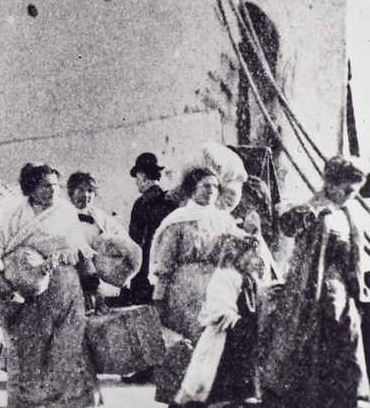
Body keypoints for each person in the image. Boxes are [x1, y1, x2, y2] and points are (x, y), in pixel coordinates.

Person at [0, 163, 98, 408]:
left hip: (64, 289)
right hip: (29, 290)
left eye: (55, 185)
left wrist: (90, 282)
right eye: (46, 185)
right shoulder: (15, 214)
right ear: (31, 188)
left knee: (67, 350)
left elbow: (79, 246)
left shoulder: (65, 211)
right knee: (26, 353)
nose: (52, 190)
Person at [263, 156, 370, 407]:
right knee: (314, 345)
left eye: (354, 192)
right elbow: (287, 225)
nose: (350, 196)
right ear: (330, 183)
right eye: (347, 190)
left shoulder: (346, 212)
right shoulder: (315, 209)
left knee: (344, 345)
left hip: (342, 293)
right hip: (316, 291)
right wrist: (308, 211)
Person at [149, 166, 243, 342]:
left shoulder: (224, 221)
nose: (211, 191)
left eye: (215, 187)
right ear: (193, 189)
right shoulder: (178, 221)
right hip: (184, 289)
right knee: (187, 340)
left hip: (216, 287)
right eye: (206, 186)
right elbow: (164, 264)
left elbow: (237, 251)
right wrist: (159, 297)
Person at [174, 234, 263, 406]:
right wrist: (234, 319)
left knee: (242, 380)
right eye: (251, 255)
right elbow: (219, 305)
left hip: (241, 339)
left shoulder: (248, 278)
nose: (254, 260)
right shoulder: (224, 275)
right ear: (238, 255)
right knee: (209, 380)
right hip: (225, 336)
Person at [66, 171, 141, 310]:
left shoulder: (99, 216)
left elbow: (123, 238)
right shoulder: (65, 216)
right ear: (71, 193)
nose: (86, 195)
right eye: (80, 190)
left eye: (90, 191)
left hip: (102, 272)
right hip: (78, 273)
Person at [120, 152, 177, 307]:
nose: (137, 183)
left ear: (143, 176)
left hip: (144, 273)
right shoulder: (171, 202)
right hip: (166, 270)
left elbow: (134, 243)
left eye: (137, 179)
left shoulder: (141, 203)